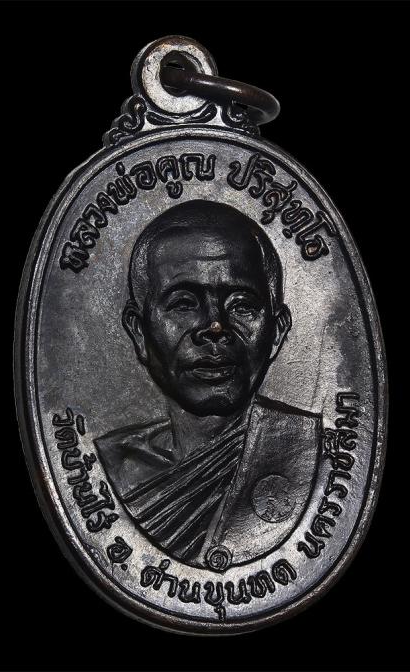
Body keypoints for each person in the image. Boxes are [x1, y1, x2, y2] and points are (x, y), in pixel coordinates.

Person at [95, 200, 321, 570]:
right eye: (184, 304)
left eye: (241, 305)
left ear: (277, 332)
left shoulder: (312, 454)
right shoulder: (108, 465)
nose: (215, 327)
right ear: (139, 332)